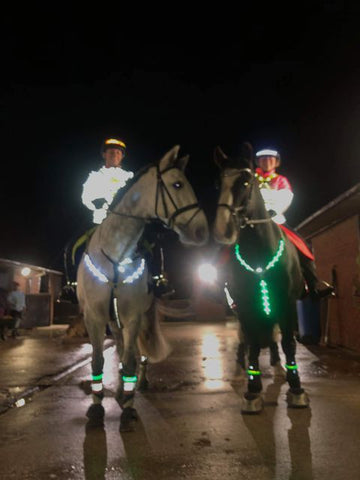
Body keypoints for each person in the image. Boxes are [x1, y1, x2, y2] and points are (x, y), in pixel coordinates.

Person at [255, 148, 334, 300]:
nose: (267, 161)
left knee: (302, 246)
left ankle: (314, 285)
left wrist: (274, 211)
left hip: (275, 220)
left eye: (270, 159)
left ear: (276, 162)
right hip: (253, 221)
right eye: (263, 159)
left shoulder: (281, 180)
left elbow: (286, 198)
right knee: (228, 244)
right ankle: (221, 286)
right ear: (258, 162)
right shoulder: (252, 178)